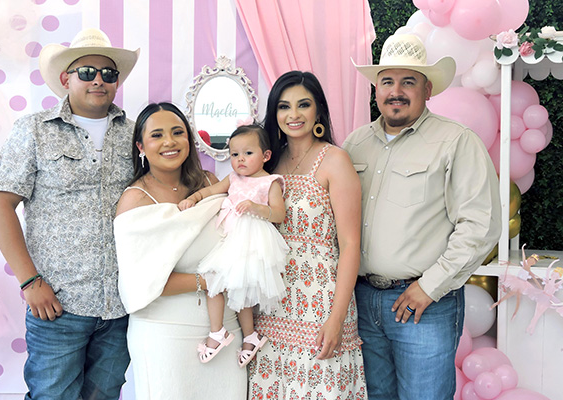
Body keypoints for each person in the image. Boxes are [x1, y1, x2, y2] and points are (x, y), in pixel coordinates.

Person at [342, 34, 502, 400]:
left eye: (408, 82)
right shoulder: (354, 145)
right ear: (376, 90)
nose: (396, 91)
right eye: (387, 81)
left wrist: (430, 286)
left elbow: (481, 225)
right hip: (362, 301)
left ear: (427, 89)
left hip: (424, 304)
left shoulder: (456, 141)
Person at [0, 28, 139, 399]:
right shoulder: (34, 130)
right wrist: (29, 281)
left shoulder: (136, 134)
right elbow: (0, 204)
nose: (98, 80)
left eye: (108, 73)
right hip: (57, 305)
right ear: (66, 79)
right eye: (87, 72)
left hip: (122, 306)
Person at [114, 102, 247, 399]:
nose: (169, 142)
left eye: (177, 132)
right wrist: (208, 281)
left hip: (225, 331)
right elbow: (140, 282)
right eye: (157, 135)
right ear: (140, 146)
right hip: (165, 334)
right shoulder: (135, 200)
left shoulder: (211, 183)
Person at [247, 71, 367, 399]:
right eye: (284, 106)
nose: (294, 114)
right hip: (271, 302)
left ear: (318, 110)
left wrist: (337, 318)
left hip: (321, 302)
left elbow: (351, 245)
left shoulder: (335, 160)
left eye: (303, 104)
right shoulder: (268, 162)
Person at [178, 124, 289, 367]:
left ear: (265, 155)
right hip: (230, 238)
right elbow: (210, 190)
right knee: (215, 281)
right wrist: (193, 198)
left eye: (248, 153)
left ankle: (246, 336)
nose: (240, 159)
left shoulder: (270, 182)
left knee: (240, 289)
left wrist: (256, 207)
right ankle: (221, 332)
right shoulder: (233, 178)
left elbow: (279, 214)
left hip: (253, 241)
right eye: (235, 154)